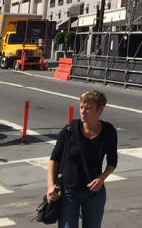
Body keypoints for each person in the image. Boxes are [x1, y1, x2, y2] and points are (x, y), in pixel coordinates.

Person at [47, 90, 118, 228]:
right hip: (68, 192)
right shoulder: (69, 131)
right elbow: (54, 159)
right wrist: (50, 186)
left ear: (100, 110)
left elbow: (112, 161)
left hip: (95, 193)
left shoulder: (108, 131)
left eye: (88, 108)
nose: (82, 112)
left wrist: (102, 178)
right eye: (81, 107)